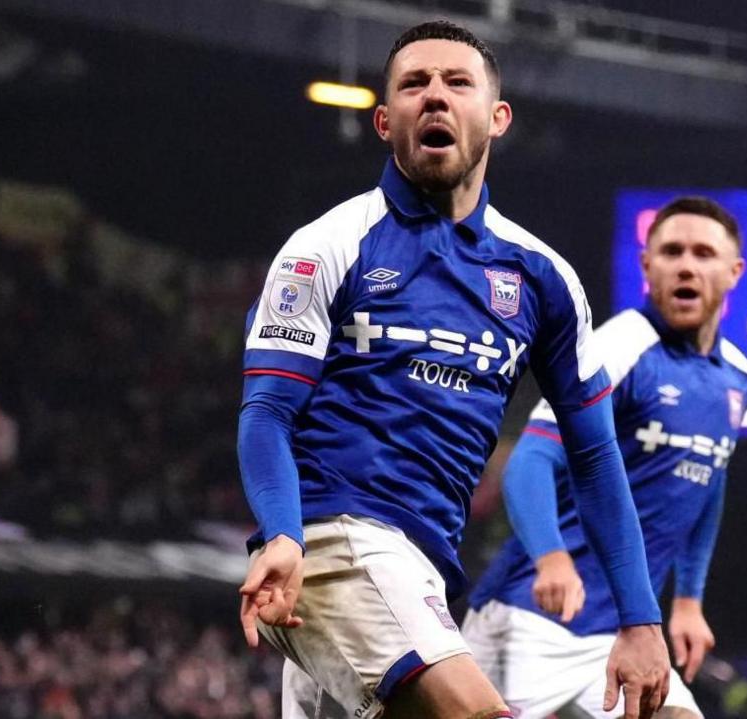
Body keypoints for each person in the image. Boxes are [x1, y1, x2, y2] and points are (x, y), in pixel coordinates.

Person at [237, 20, 669, 719]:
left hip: (424, 566)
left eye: (457, 82)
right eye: (414, 84)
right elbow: (267, 412)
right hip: (331, 539)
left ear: (497, 118)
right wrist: (283, 531)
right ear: (384, 121)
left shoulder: (543, 278)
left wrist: (640, 616)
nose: (434, 97)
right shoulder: (326, 247)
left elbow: (592, 452)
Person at [461, 196, 747, 718]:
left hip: (623, 632)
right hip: (534, 614)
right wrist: (551, 557)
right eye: (671, 252)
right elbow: (530, 459)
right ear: (647, 266)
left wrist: (689, 600)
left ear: (733, 272)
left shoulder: (738, 377)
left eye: (704, 254)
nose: (686, 265)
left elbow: (708, 484)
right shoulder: (617, 348)